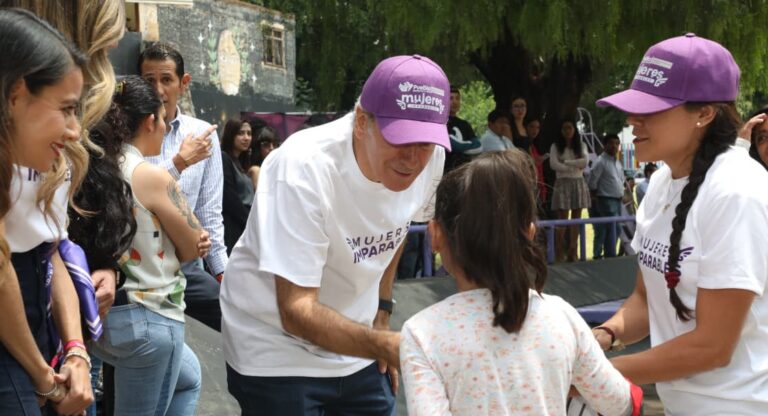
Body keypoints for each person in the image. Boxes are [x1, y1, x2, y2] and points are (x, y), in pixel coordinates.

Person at [220, 54, 448, 415]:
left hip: (356, 341)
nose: (413, 158)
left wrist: (382, 312)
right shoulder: (304, 166)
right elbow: (295, 310)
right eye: (400, 139)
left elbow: (399, 223)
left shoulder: (431, 158)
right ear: (361, 122)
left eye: (425, 142)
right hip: (275, 347)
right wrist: (383, 345)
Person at [594, 34, 768, 414]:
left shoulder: (736, 192)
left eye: (651, 109)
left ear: (704, 114)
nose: (632, 120)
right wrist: (605, 336)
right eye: (633, 107)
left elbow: (712, 346)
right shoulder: (661, 182)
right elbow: (645, 300)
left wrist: (595, 375)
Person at [400, 150, 643, 416]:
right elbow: (621, 403)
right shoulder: (561, 316)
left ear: (435, 235)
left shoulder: (422, 333)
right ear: (529, 233)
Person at [88, 76, 204, 415]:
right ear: (151, 120)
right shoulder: (152, 176)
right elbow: (193, 246)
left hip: (105, 318)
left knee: (190, 376)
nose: (167, 127)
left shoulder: (95, 167)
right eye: (165, 119)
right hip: (151, 319)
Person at [0, 8, 94, 414]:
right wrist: (44, 379)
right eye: (67, 108)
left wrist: (75, 351)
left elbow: (51, 250)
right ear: (17, 93)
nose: (75, 130)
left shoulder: (52, 162)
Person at [139, 41, 225, 331]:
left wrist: (223, 273)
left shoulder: (202, 134)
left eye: (166, 80)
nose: (158, 90)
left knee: (230, 315)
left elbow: (209, 213)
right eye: (149, 81)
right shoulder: (128, 131)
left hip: (187, 265)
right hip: (139, 266)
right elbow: (132, 190)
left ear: (183, 83)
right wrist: (179, 163)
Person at [549, 118, 590, 261]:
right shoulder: (555, 146)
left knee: (576, 219)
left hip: (578, 182)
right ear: (561, 131)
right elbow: (553, 164)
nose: (567, 131)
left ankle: (573, 250)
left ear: (574, 130)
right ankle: (559, 251)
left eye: (570, 128)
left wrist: (565, 162)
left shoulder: (581, 145)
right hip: (562, 183)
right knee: (562, 219)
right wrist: (574, 165)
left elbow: (585, 162)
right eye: (565, 128)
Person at [220, 119, 255, 254]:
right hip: (233, 225)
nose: (246, 138)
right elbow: (230, 197)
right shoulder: (224, 158)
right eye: (241, 133)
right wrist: (249, 221)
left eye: (249, 133)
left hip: (244, 224)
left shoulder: (241, 163)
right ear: (231, 135)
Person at [588, 133, 624, 259]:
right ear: (605, 145)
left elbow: (620, 181)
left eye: (617, 144)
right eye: (611, 143)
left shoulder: (617, 163)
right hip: (605, 199)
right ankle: (604, 255)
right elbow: (592, 182)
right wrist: (595, 198)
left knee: (614, 229)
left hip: (617, 200)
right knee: (607, 229)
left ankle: (609, 255)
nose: (614, 146)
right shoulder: (600, 162)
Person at [444, 85, 481, 172]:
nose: (455, 102)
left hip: (464, 171)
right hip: (445, 172)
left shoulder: (465, 124)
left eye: (457, 98)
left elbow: (478, 147)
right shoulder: (441, 123)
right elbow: (451, 145)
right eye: (451, 98)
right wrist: (468, 145)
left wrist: (460, 146)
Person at [246, 125, 278, 189]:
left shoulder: (280, 169)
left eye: (274, 144)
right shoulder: (255, 170)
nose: (271, 148)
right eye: (266, 145)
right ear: (258, 148)